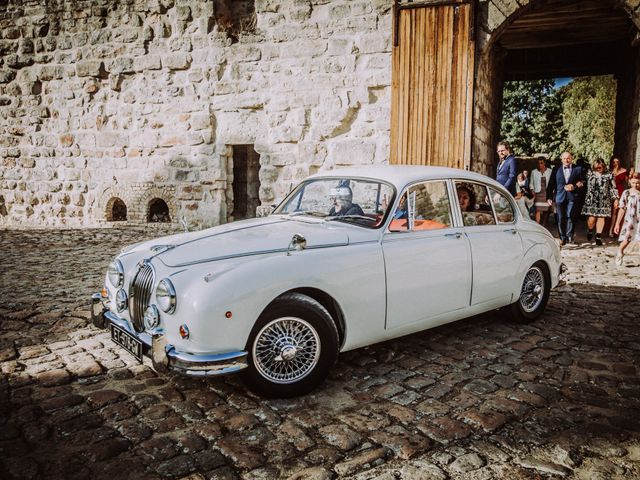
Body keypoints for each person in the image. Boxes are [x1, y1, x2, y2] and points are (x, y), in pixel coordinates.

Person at [547, 151, 585, 245]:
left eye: (568, 158)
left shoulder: (578, 169)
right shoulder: (556, 169)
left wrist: (575, 186)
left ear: (571, 158)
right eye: (564, 158)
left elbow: (583, 181)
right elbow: (551, 183)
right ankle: (562, 238)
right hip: (560, 196)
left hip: (572, 196)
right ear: (562, 159)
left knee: (570, 215)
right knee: (560, 218)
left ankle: (570, 236)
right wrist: (549, 197)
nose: (566, 160)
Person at [581, 158, 618, 245]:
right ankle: (590, 230)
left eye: (600, 167)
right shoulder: (589, 174)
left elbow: (613, 187)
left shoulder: (609, 174)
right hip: (591, 200)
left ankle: (598, 236)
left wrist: (616, 198)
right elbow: (583, 183)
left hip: (604, 200)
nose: (598, 169)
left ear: (603, 166)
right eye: (597, 167)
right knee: (592, 219)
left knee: (601, 217)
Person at [613, 172, 640, 266]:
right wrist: (617, 223)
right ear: (630, 182)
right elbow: (622, 209)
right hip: (630, 220)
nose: (635, 185)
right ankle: (620, 252)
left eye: (637, 183)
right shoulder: (627, 193)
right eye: (633, 183)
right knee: (627, 239)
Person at [608, 157, 628, 237]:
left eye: (617, 161)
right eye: (614, 162)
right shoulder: (609, 171)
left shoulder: (624, 170)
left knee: (615, 211)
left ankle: (612, 230)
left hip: (619, 192)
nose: (616, 163)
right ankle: (607, 229)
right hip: (610, 192)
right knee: (609, 211)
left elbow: (628, 182)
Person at [529, 157, 552, 225]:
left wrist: (552, 192)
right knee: (538, 210)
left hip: (547, 193)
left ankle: (543, 225)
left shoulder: (550, 171)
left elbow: (552, 182)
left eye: (541, 163)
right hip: (538, 193)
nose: (540, 165)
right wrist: (532, 190)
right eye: (538, 163)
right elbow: (531, 183)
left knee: (546, 210)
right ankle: (538, 225)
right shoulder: (534, 172)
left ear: (544, 163)